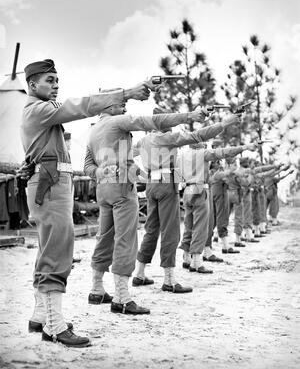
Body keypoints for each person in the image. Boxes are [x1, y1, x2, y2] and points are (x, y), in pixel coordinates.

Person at [21, 58, 150, 347]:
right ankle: (54, 326)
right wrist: (127, 93)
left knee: (49, 250)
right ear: (32, 85)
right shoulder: (39, 109)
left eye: (57, 80)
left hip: (49, 184)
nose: (56, 86)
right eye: (49, 81)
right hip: (50, 186)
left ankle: (41, 316)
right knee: (57, 252)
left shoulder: (39, 111)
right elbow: (79, 106)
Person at [84, 102, 209, 313]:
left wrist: (105, 172)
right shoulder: (121, 122)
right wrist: (194, 115)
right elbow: (152, 122)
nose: (124, 109)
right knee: (127, 239)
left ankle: (97, 289)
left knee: (104, 237)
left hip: (105, 188)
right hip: (127, 188)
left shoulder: (94, 130)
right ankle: (122, 297)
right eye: (121, 105)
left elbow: (89, 165)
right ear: (111, 105)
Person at [133, 112, 240, 289]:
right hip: (167, 183)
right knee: (171, 231)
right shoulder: (167, 138)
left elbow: (128, 153)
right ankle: (168, 280)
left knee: (151, 229)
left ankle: (140, 272)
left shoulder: (144, 140)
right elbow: (198, 135)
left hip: (151, 183)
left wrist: (142, 175)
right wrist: (224, 123)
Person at [178, 142, 256, 271]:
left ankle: (187, 257)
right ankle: (196, 262)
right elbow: (217, 171)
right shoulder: (204, 156)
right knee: (201, 226)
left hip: (187, 190)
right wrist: (244, 148)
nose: (204, 145)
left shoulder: (183, 156)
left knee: (189, 225)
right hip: (201, 190)